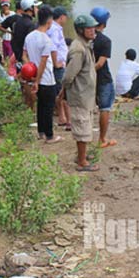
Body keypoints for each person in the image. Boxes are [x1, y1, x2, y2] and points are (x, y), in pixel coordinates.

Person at [60, 15, 98, 172]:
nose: (93, 31)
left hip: (86, 95)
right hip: (80, 95)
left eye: (93, 28)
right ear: (81, 30)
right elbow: (69, 75)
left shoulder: (85, 45)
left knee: (86, 126)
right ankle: (81, 162)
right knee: (82, 128)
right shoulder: (78, 49)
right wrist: (64, 91)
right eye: (89, 28)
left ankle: (82, 155)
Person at [23, 5, 62, 144]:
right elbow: (44, 62)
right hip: (45, 78)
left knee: (41, 105)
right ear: (49, 21)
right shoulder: (46, 40)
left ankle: (41, 132)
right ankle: (50, 136)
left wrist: (30, 69)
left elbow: (24, 55)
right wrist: (37, 81)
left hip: (35, 77)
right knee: (48, 107)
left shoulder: (29, 37)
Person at [91, 6, 116, 148]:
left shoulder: (86, 38)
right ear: (103, 23)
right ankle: (102, 139)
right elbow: (100, 63)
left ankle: (92, 136)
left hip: (90, 80)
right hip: (103, 79)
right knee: (105, 108)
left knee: (91, 106)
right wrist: (90, 72)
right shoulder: (105, 41)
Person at [47, 6, 71, 129]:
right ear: (61, 17)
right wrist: (57, 63)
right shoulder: (55, 29)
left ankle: (62, 118)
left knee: (59, 92)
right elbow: (54, 47)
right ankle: (68, 121)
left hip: (55, 64)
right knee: (64, 91)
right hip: (58, 65)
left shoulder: (51, 28)